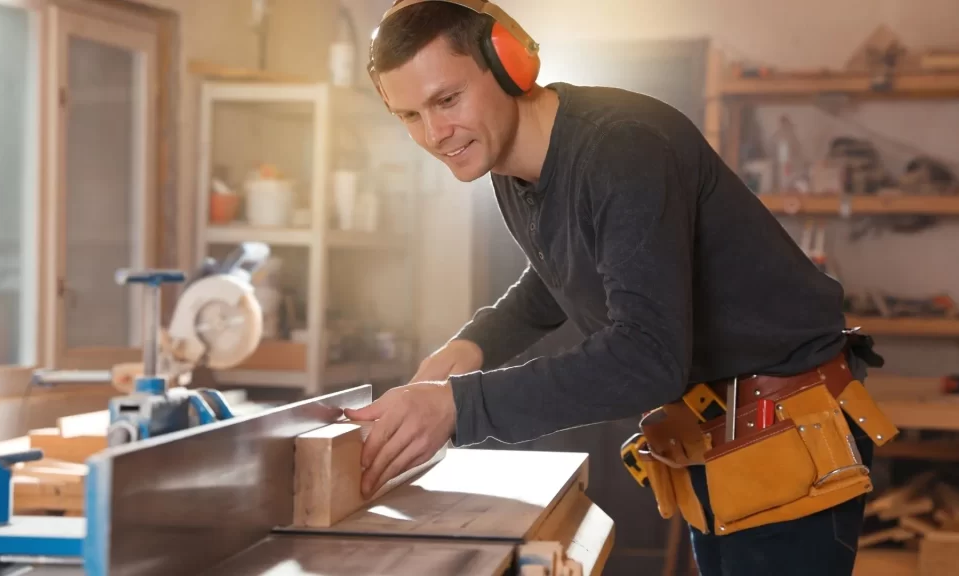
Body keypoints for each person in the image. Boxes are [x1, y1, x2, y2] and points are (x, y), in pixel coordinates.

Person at [344, 1, 899, 574]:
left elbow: (645, 358)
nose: (436, 134)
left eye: (446, 99)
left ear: (508, 64)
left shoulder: (622, 147)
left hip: (787, 432)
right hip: (718, 434)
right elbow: (559, 273)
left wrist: (459, 408)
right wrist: (470, 347)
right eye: (410, 115)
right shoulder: (510, 161)